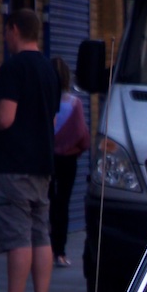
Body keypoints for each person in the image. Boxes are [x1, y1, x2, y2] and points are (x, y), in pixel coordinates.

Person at [0, 9, 60, 292]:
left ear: (14, 29)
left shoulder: (12, 68)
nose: (4, 38)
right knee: (41, 234)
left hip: (13, 165)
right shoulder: (50, 70)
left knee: (18, 237)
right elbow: (52, 120)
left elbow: (6, 117)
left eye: (5, 31)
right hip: (43, 165)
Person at [49, 57, 89, 269]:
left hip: (45, 158)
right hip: (68, 160)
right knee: (62, 204)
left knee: (45, 203)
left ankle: (42, 248)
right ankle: (60, 252)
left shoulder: (43, 100)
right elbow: (83, 135)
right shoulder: (74, 103)